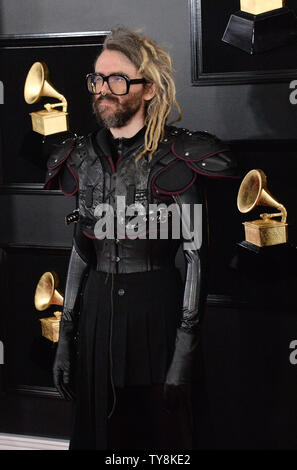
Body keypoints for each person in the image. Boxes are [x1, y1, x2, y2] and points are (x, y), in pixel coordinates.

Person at [44, 26, 237, 450]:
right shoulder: (81, 155)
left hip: (157, 312)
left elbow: (197, 259)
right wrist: (65, 338)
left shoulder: (179, 156)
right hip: (95, 311)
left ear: (148, 88)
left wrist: (183, 355)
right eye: (97, 79)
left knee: (158, 438)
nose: (103, 90)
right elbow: (80, 250)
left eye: (117, 79)